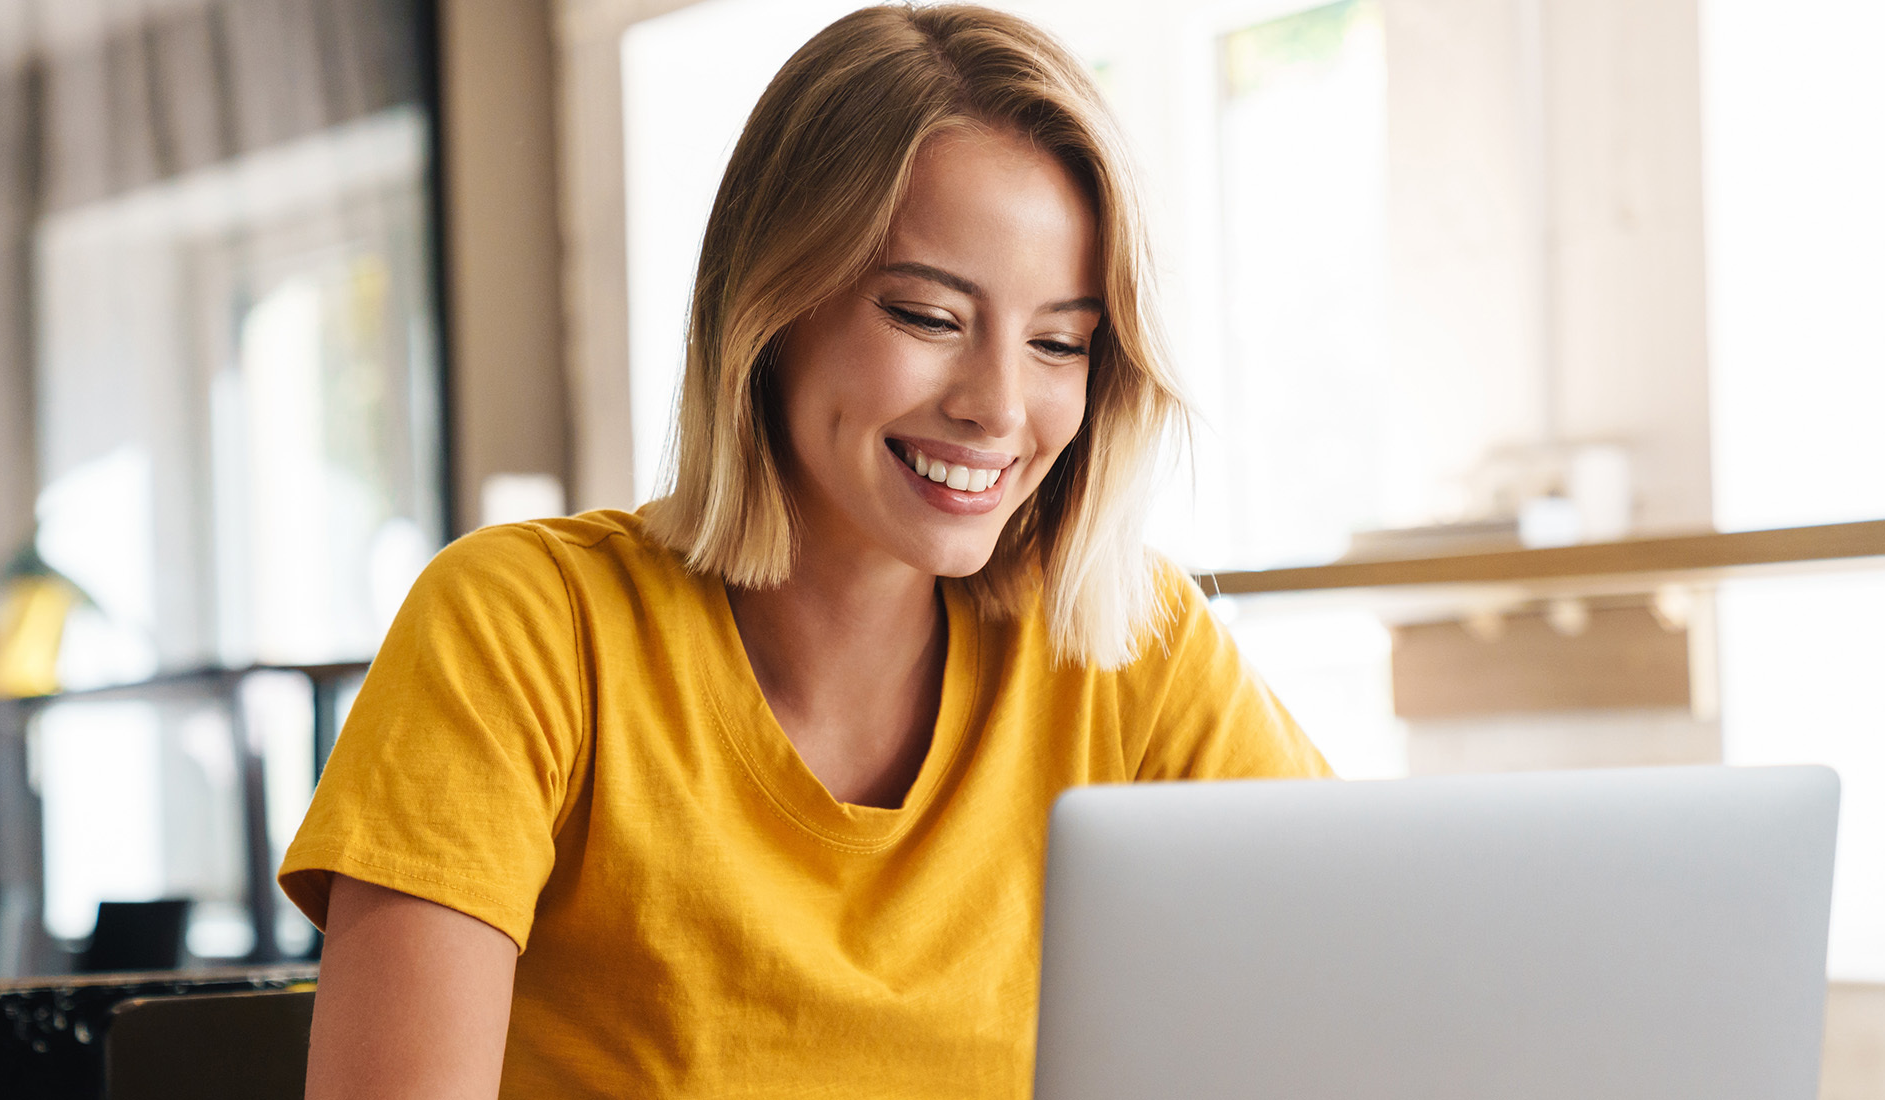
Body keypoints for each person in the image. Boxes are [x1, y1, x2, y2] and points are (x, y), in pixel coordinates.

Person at [278, 5, 1330, 1096]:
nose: (998, 407)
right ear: (768, 306)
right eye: (927, 316)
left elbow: (1368, 971)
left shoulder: (1127, 650)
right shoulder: (522, 627)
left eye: (1058, 342)